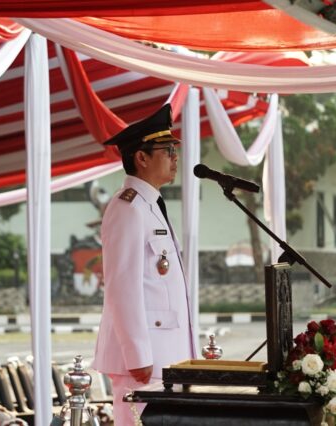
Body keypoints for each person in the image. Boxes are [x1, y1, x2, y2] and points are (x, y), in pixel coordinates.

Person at [92, 104, 196, 425]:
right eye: (167, 150)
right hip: (142, 361)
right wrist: (138, 355)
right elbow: (122, 288)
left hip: (166, 355)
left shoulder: (151, 206)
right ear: (142, 157)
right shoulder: (128, 208)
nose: (175, 158)